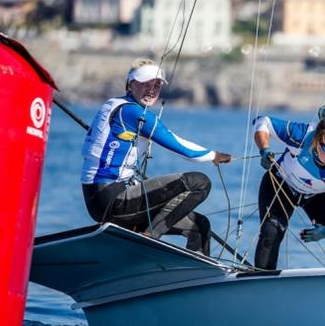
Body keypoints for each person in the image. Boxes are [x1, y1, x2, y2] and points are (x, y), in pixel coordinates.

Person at [81, 58, 232, 255]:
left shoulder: (114, 104)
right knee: (199, 182)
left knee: (199, 226)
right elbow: (178, 145)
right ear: (130, 84)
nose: (152, 90)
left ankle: (191, 276)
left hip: (102, 199)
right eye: (145, 84)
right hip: (112, 198)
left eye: (157, 85)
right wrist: (213, 155)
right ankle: (150, 237)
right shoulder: (132, 113)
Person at [253, 115, 325, 270]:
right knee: (270, 234)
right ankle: (261, 282)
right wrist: (264, 150)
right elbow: (263, 122)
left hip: (319, 197)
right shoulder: (303, 136)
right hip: (281, 184)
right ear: (316, 141)